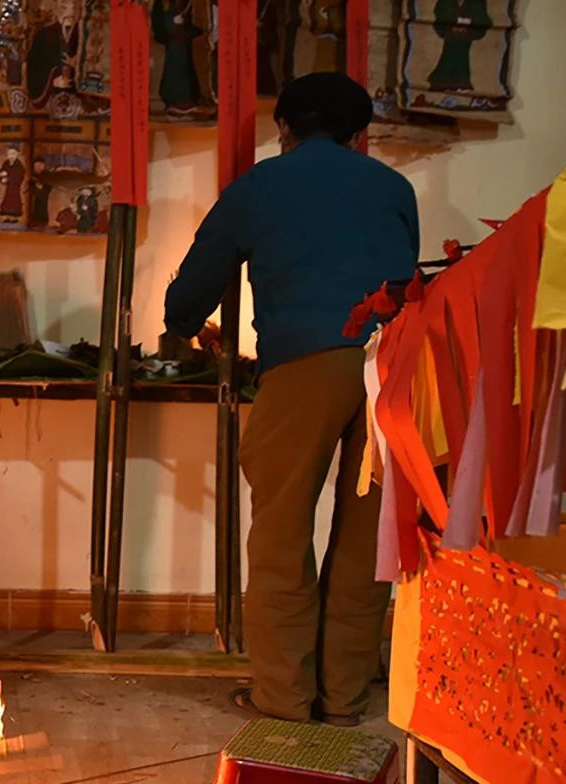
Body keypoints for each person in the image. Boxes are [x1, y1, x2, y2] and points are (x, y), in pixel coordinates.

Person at [160, 72, 418, 726]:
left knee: (282, 537)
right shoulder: (394, 188)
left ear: (284, 130)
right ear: (362, 136)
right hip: (396, 371)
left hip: (306, 363)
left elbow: (196, 283)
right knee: (366, 543)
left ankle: (283, 699)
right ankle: (344, 699)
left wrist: (183, 328)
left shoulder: (260, 187)